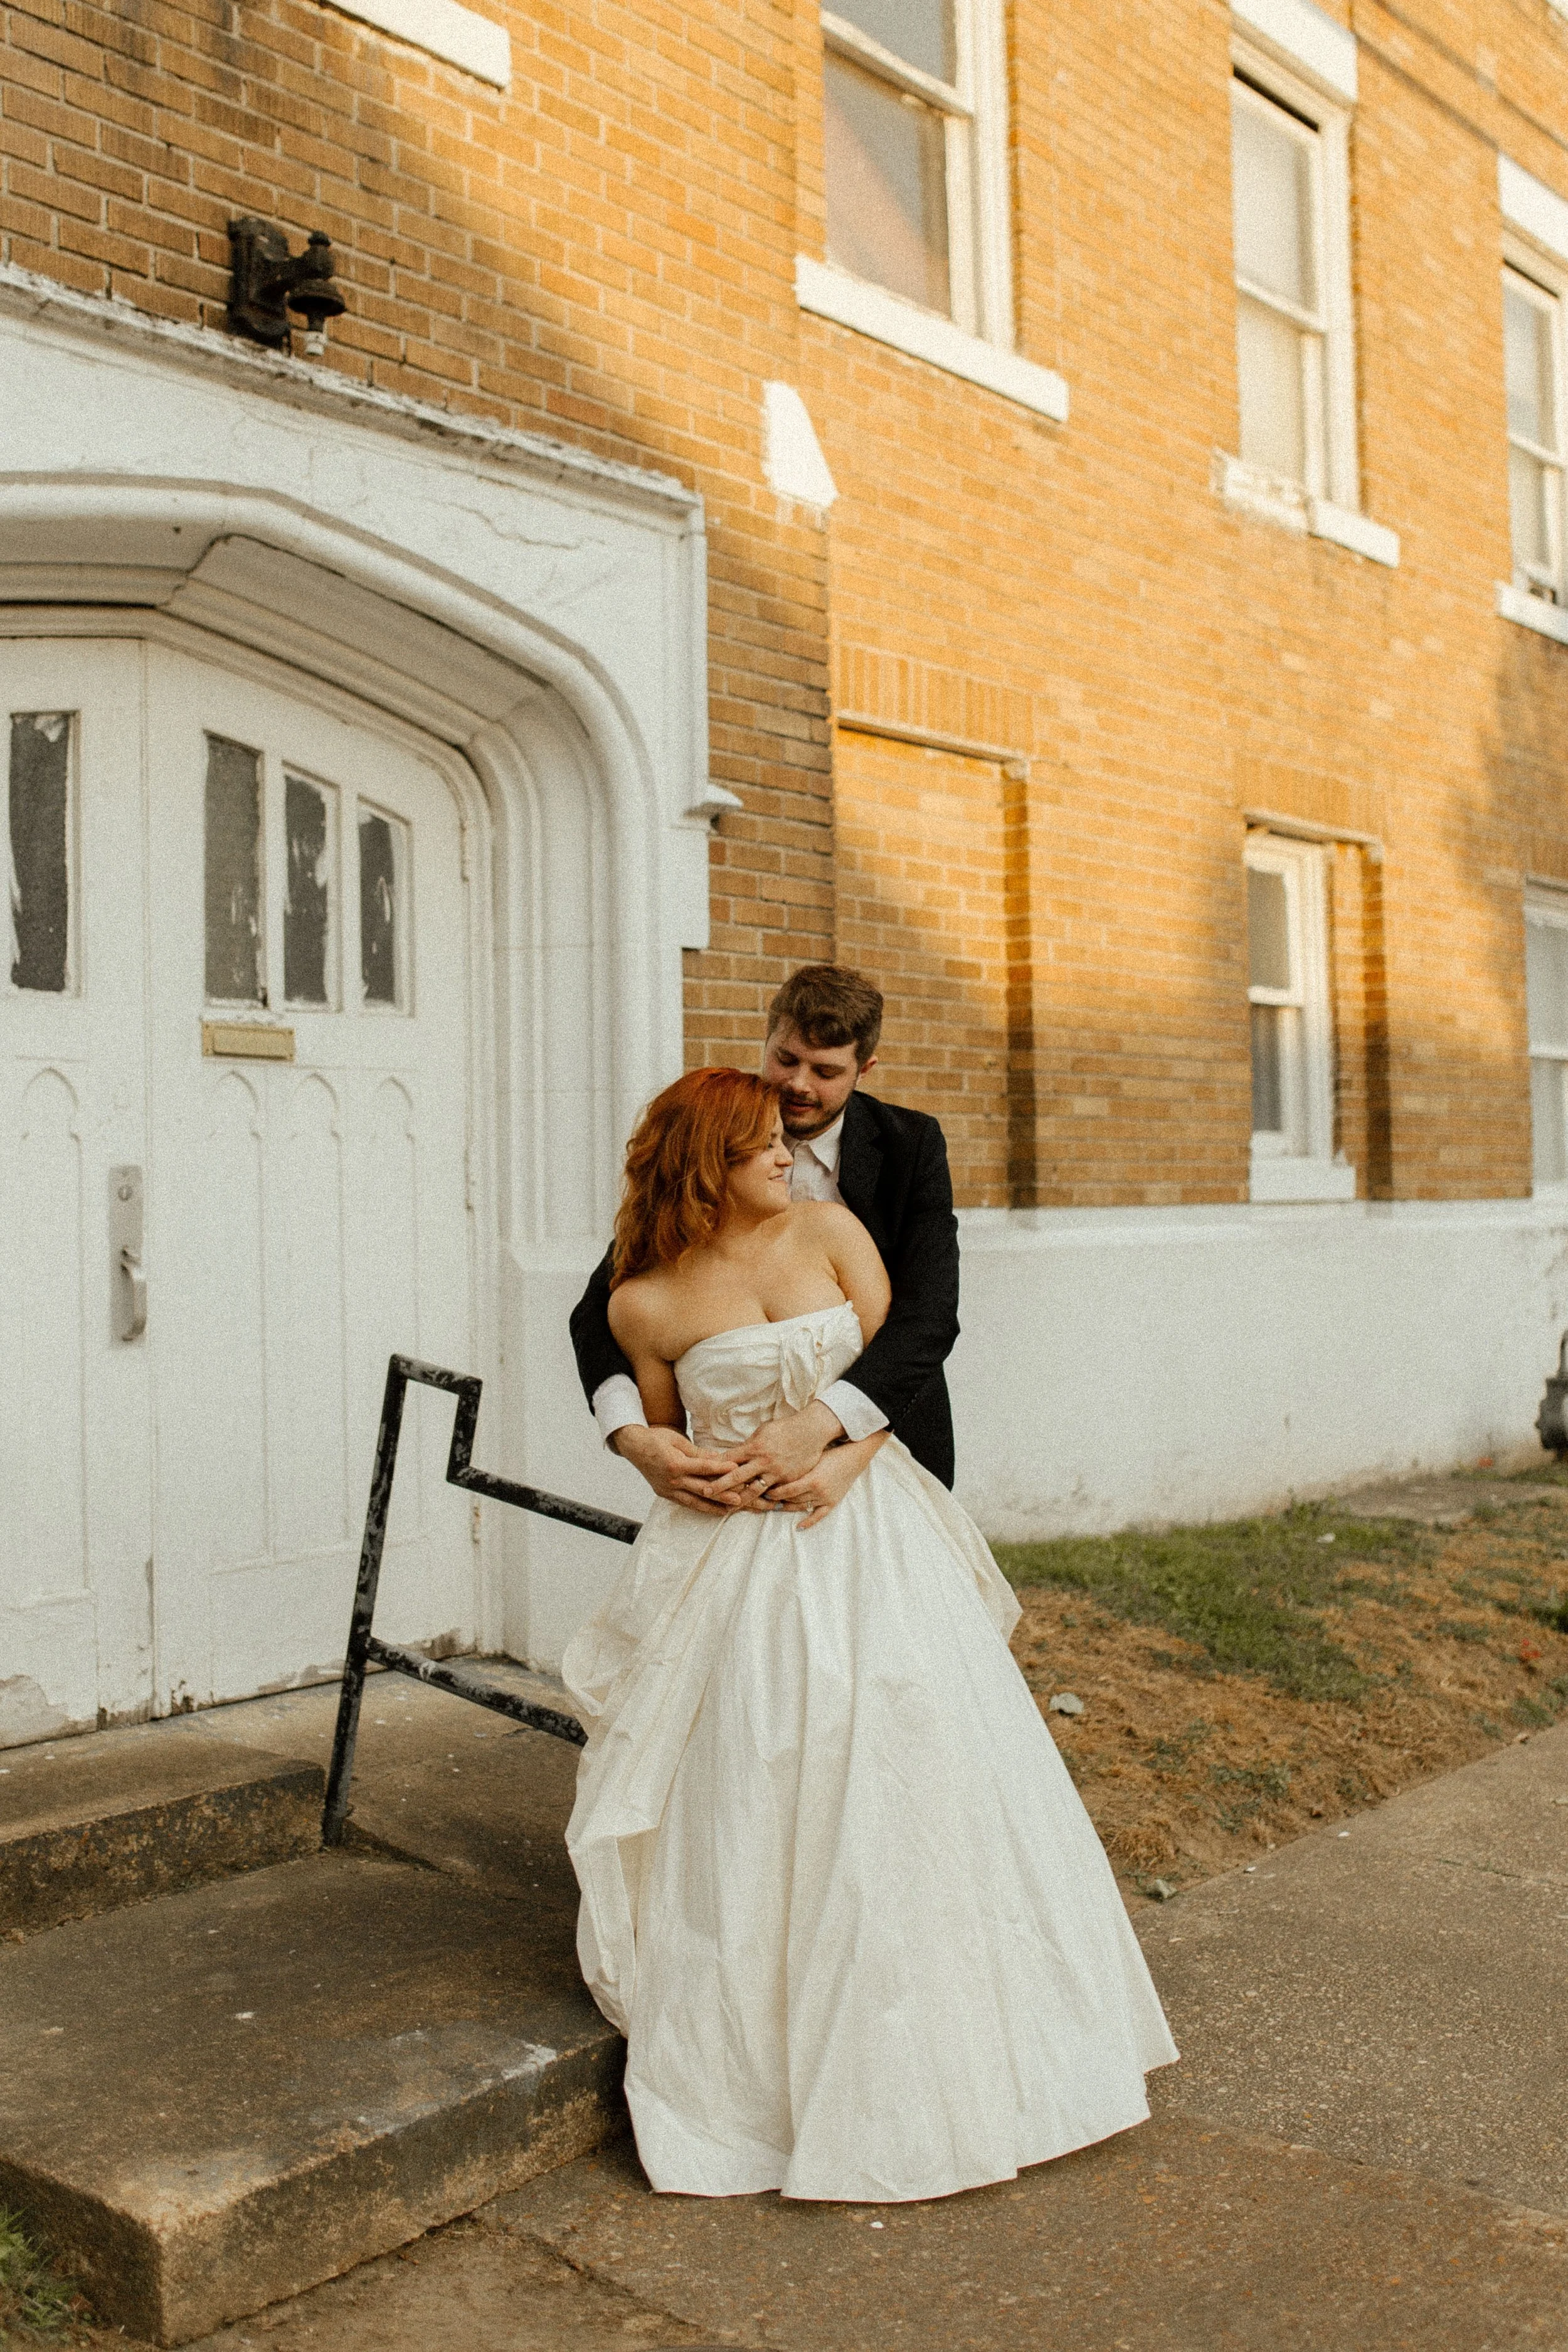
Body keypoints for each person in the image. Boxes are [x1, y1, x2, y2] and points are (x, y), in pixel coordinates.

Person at [562, 1066, 1177, 2204]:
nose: (789, 1156)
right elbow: (654, 1425)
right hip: (735, 1559)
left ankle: (970, 2047)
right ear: (708, 1163)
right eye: (762, 1148)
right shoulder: (642, 1299)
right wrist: (658, 1455)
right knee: (761, 1780)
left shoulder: (835, 1231)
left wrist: (839, 1457)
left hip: (868, 1523)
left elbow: (903, 1362)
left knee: (912, 1755)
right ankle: (761, 2067)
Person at [569, 964, 959, 1510]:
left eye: (825, 1071)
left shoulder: (910, 1146)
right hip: (737, 1488)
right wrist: (633, 1437)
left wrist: (827, 1436)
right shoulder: (709, 1131)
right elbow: (600, 1308)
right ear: (767, 1039)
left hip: (887, 1443)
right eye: (786, 1059)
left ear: (863, 1069)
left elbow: (929, 1316)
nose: (799, 1084)